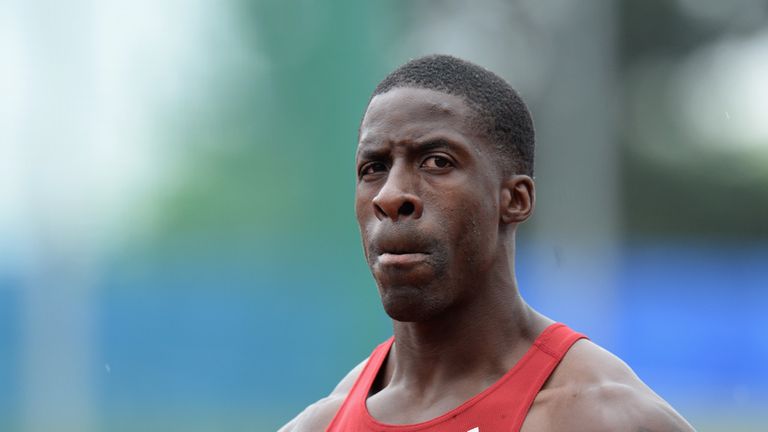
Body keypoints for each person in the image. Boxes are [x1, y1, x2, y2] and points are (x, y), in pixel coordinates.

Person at [279, 55, 694, 432]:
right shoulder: (321, 425)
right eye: (374, 167)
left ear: (514, 199)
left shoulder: (604, 417)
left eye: (437, 161)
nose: (390, 196)